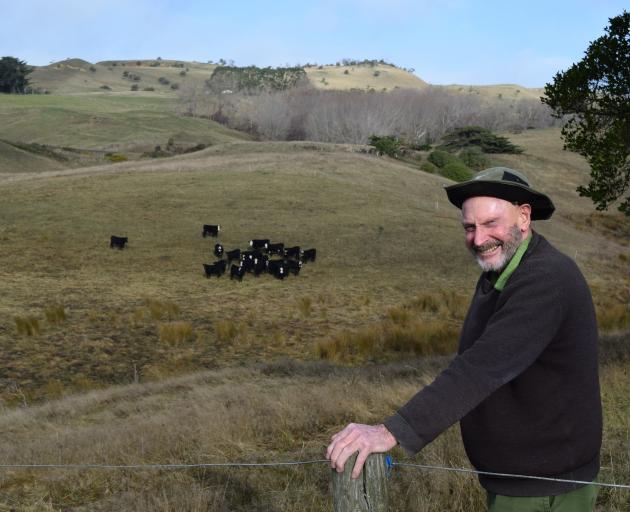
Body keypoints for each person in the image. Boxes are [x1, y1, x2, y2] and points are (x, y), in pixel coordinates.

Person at [326, 167, 602, 512]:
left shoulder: (546, 280)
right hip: (520, 480)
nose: (478, 238)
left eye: (490, 224)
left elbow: (482, 366)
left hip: (545, 490)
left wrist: (391, 431)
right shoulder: (502, 272)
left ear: (524, 216)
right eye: (469, 227)